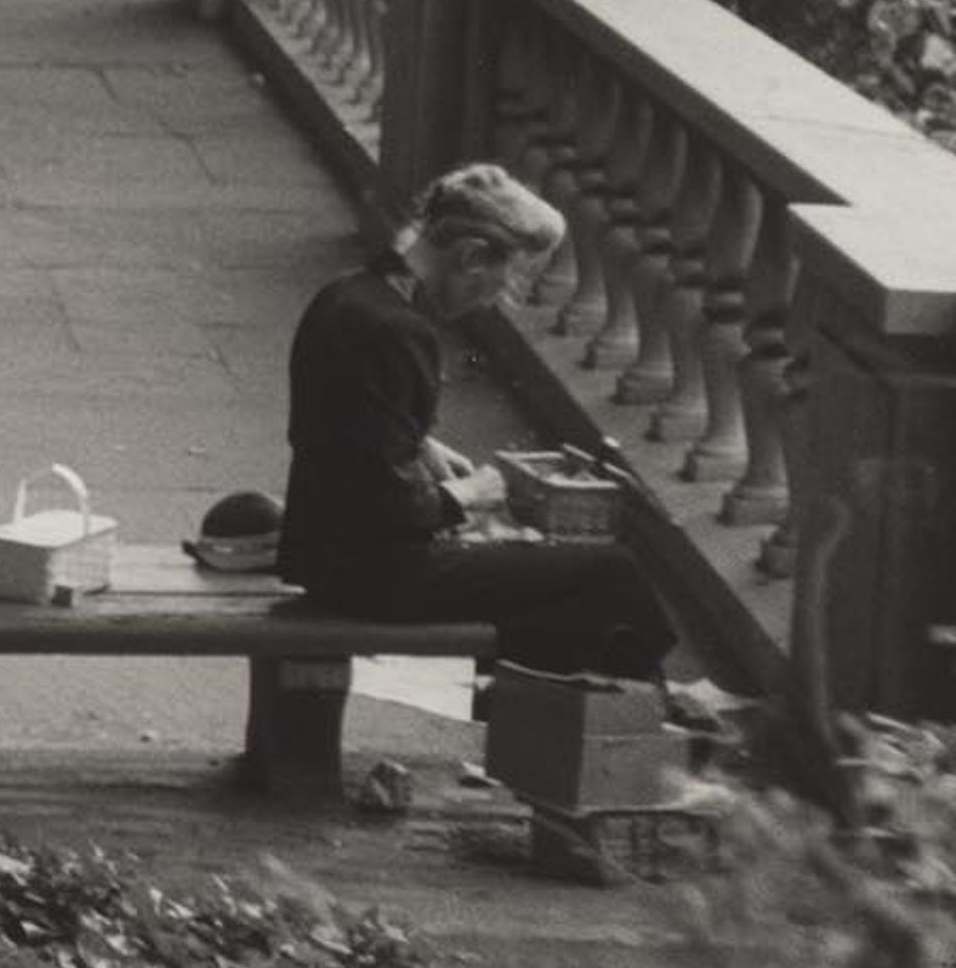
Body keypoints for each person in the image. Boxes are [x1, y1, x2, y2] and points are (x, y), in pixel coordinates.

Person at [277, 165, 676, 684]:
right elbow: (388, 511)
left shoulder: (347, 295)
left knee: (566, 592)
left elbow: (345, 424)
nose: (496, 298)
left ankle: (564, 709)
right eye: (505, 279)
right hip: (370, 574)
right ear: (469, 257)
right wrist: (474, 492)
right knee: (611, 574)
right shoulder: (399, 332)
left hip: (319, 550)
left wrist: (418, 443)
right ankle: (625, 716)